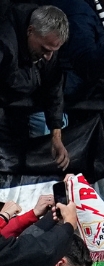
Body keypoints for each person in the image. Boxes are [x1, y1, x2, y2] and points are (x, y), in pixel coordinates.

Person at [0, 4, 71, 172]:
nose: (48, 56)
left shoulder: (47, 46)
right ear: (30, 31)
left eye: (53, 51)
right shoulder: (5, 42)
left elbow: (54, 89)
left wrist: (56, 136)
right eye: (45, 49)